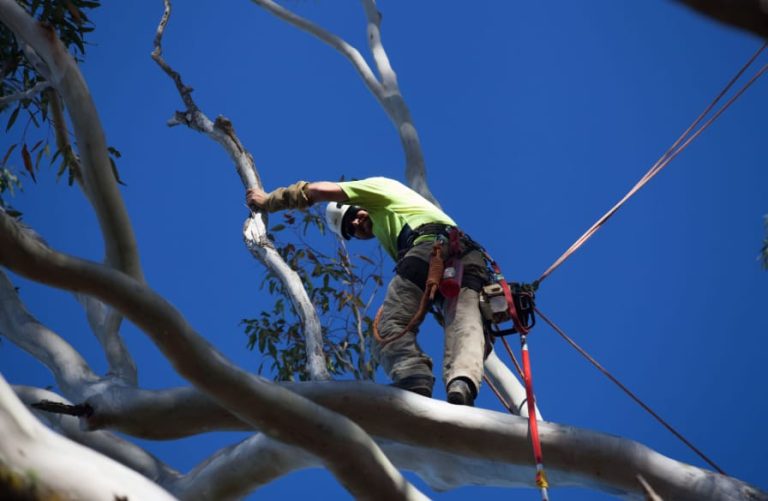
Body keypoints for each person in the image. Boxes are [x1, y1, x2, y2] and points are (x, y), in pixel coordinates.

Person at [246, 177, 488, 406]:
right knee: (464, 319)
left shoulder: (377, 189)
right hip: (467, 256)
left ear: (356, 204)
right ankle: (462, 383)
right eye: (349, 231)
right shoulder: (396, 221)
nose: (355, 224)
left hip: (429, 248)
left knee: (388, 327)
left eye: (352, 215)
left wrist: (270, 201)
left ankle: (414, 376)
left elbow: (317, 190)